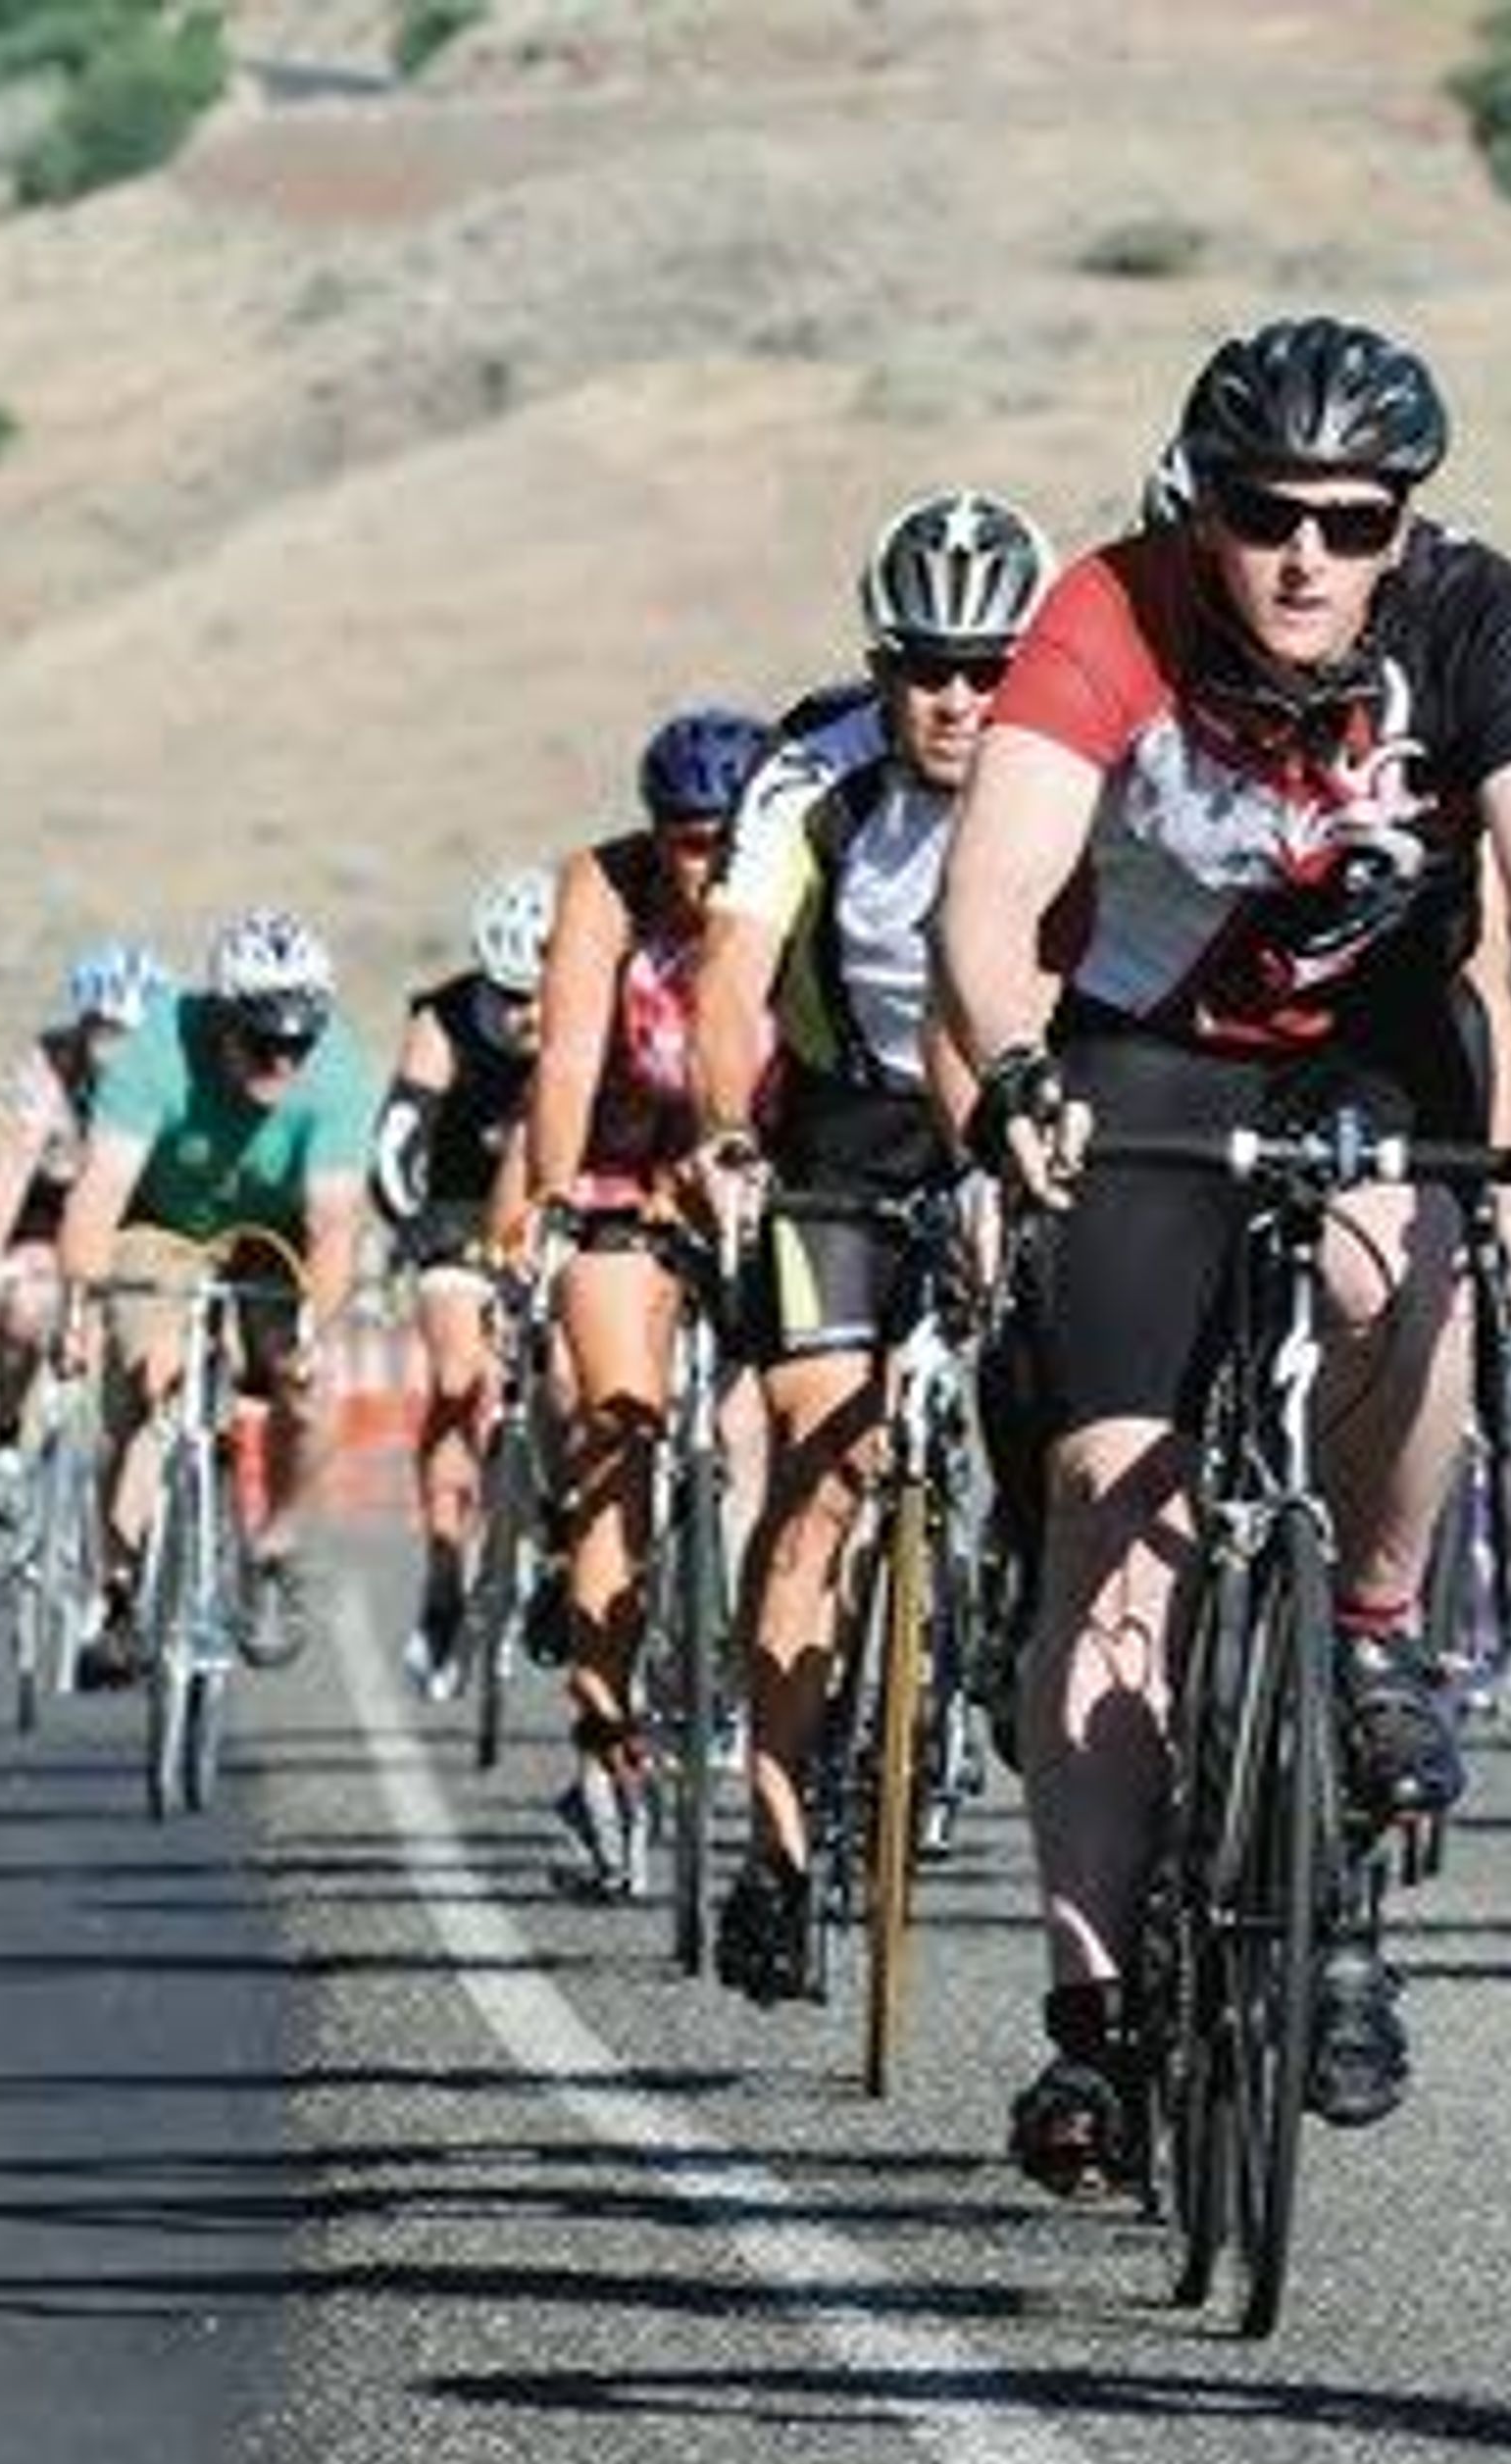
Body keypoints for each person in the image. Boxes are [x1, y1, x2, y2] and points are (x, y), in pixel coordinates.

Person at [936, 316, 1511, 2191]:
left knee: (1393, 1251)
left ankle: (1378, 1625)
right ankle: (1092, 2017)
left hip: (1376, 1048)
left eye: (1356, 517)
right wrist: (1010, 1067)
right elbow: (992, 890)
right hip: (1140, 1054)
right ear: (1203, 504)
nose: (1310, 555)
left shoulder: (1482, 619)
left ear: (1407, 523)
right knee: (1109, 1503)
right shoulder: (1111, 611)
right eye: (1269, 513)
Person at [694, 487, 1047, 2006]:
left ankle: (1017, 1617)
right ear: (879, 662)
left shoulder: (1073, 769)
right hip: (844, 1133)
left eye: (988, 669)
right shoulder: (808, 772)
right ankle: (775, 1850)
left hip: (1024, 1118)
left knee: (1065, 1439)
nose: (956, 701)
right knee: (816, 1463)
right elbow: (731, 976)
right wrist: (723, 1130)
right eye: (924, 666)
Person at [518, 703, 773, 1898]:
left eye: (723, 838)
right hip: (624, 1181)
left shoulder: (788, 879)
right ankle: (605, 1744)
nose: (702, 863)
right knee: (618, 1429)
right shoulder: (603, 890)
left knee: (770, 1428)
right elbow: (566, 1058)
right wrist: (556, 1197)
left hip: (756, 1178)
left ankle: (775, 1686)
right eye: (681, 836)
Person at [53, 911, 378, 1683]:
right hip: (161, 1225)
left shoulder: (336, 1074)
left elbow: (335, 1224)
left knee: (307, 1390)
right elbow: (98, 1195)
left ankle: (272, 1551)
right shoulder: (156, 1051)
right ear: (220, 1019)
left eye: (296, 1044)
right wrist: (74, 1313)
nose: (279, 1063)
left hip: (277, 1237)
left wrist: (312, 1335)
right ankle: (123, 1594)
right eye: (260, 1042)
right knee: (149, 1385)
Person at [372, 867, 552, 1699]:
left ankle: (557, 1538)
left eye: (537, 993)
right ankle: (445, 1579)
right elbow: (395, 1144)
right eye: (506, 992)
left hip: (555, 1215)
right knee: (457, 1376)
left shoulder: (591, 1011)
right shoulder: (443, 1016)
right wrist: (415, 1228)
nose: (522, 1014)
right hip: (454, 1218)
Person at [0, 941, 172, 1526]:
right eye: (102, 1031)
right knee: (24, 1307)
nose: (114, 1050)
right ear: (82, 1024)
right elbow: (7, 1175)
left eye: (129, 1035)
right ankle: (4, 1438)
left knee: (133, 1344)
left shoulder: (172, 1076)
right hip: (48, 1219)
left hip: (135, 1220)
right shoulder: (44, 1070)